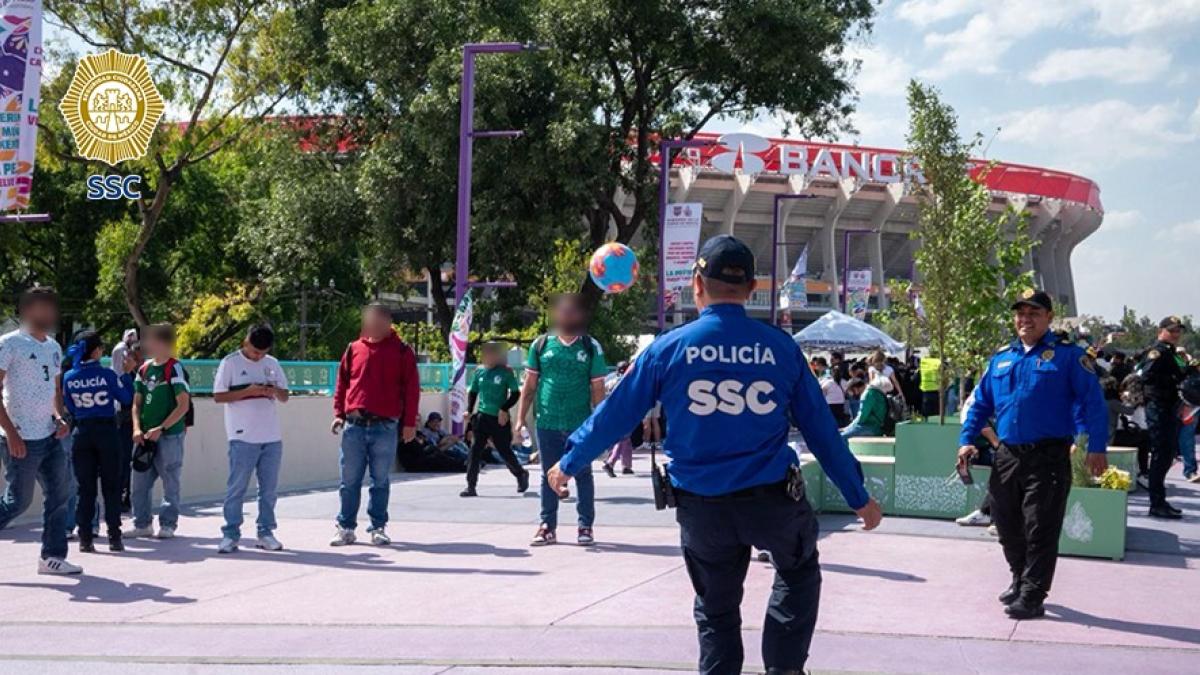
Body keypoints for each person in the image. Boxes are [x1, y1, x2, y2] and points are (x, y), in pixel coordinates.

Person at [547, 235, 882, 675]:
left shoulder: (668, 348)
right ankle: (784, 669)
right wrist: (858, 496)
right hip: (774, 500)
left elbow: (614, 415)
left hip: (702, 507)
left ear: (697, 283)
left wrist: (568, 461)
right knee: (798, 575)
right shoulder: (781, 348)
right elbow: (822, 431)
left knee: (717, 610)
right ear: (751, 288)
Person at [958, 289, 1108, 620]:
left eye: (1034, 313)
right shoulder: (1001, 358)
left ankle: (1033, 594)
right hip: (1008, 454)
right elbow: (980, 403)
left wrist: (1097, 446)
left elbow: (1092, 401)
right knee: (1005, 521)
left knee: (1040, 525)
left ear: (1049, 318)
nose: (1025, 319)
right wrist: (967, 439)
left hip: (1049, 454)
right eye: (1020, 313)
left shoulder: (1069, 356)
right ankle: (1019, 576)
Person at [513, 293, 607, 546]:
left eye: (572, 313)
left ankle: (585, 526)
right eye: (563, 313)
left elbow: (598, 389)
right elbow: (529, 385)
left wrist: (600, 424)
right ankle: (547, 526)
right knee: (548, 474)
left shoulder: (590, 347)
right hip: (547, 421)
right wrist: (520, 419)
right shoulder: (541, 345)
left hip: (581, 423)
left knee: (583, 473)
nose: (567, 317)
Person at [0, 287, 81, 575]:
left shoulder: (54, 347)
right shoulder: (9, 344)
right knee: (17, 502)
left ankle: (52, 557)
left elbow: (54, 390)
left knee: (61, 493)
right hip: (20, 437)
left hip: (49, 435)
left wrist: (60, 417)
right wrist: (11, 434)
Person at [329, 303, 419, 546]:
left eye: (379, 320)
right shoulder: (353, 349)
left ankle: (377, 527)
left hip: (385, 426)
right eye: (370, 319)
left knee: (380, 480)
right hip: (354, 425)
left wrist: (409, 423)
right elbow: (342, 383)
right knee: (349, 481)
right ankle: (345, 527)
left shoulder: (402, 351)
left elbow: (412, 390)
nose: (374, 325)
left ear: (389, 322)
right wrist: (339, 413)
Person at [214, 324, 289, 554]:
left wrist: (273, 390)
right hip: (242, 436)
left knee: (268, 489)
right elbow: (218, 396)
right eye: (255, 351)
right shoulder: (230, 363)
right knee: (236, 488)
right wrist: (249, 391)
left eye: (263, 353)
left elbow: (285, 396)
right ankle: (230, 534)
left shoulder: (272, 364)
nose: (258, 356)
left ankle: (265, 532)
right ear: (245, 342)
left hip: (271, 436)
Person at [62, 330, 135, 553]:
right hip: (106, 431)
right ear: (95, 351)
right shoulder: (107, 375)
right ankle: (114, 536)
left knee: (85, 489)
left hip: (81, 433)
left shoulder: (69, 377)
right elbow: (126, 399)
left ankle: (85, 538)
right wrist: (126, 374)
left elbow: (71, 407)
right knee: (111, 486)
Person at [128, 323, 191, 540]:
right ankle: (142, 523)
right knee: (139, 483)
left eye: (149, 339)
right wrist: (137, 427)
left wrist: (161, 427)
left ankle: (168, 524)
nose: (145, 344)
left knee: (170, 481)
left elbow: (183, 405)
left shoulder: (174, 368)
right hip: (144, 436)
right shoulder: (144, 369)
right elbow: (136, 403)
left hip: (169, 436)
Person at [461, 342, 529, 497]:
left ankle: (520, 474)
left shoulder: (505, 373)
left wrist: (504, 409)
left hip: (499, 419)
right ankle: (471, 485)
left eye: (492, 354)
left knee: (504, 450)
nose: (488, 357)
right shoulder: (479, 372)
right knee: (475, 450)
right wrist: (469, 410)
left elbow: (515, 393)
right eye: (485, 354)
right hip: (482, 417)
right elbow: (473, 392)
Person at [1137, 317, 1188, 518]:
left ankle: (1160, 500)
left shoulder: (1171, 353)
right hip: (1158, 407)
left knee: (1167, 454)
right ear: (1161, 330)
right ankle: (1156, 503)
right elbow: (1146, 375)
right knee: (1160, 455)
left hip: (1168, 408)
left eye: (1178, 331)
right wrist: (1169, 382)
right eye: (1172, 330)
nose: (1176, 334)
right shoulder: (1157, 352)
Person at [811, 356, 848, 426]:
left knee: (830, 420)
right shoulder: (843, 381)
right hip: (841, 402)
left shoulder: (827, 378)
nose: (816, 367)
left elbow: (822, 390)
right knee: (839, 420)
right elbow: (847, 390)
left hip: (829, 402)